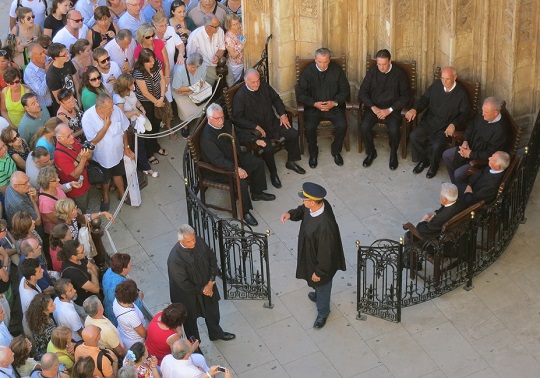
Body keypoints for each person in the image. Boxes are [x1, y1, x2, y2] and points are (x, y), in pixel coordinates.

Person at [280, 182, 346, 329]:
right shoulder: (317, 205)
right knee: (317, 284)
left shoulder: (325, 226)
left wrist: (319, 272)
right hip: (312, 255)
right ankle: (317, 295)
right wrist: (290, 214)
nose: (302, 202)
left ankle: (323, 313)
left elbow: (325, 253)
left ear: (313, 202)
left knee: (322, 285)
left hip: (321, 263)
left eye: (305, 200)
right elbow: (303, 210)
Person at [200, 104, 275, 226]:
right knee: (242, 180)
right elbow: (218, 160)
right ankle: (245, 212)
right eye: (217, 118)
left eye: (222, 117)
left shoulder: (226, 124)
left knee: (257, 163)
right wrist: (236, 169)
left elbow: (238, 133)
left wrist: (254, 140)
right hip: (220, 169)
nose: (221, 121)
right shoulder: (207, 138)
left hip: (235, 157)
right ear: (209, 119)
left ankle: (257, 193)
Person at [233, 68, 305, 189]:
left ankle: (291, 161)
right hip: (256, 131)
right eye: (253, 82)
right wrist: (255, 127)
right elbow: (238, 118)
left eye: (258, 81)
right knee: (267, 148)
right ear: (246, 82)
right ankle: (273, 173)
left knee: (292, 133)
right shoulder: (240, 96)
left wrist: (282, 114)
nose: (256, 84)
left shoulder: (264, 86)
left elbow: (276, 99)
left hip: (272, 123)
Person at [167, 224, 236, 343]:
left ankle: (216, 333)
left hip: (207, 285)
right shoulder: (174, 259)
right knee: (190, 322)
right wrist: (203, 289)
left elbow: (212, 258)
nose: (193, 243)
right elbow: (183, 283)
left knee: (213, 312)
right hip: (187, 295)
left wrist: (210, 282)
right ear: (180, 241)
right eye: (189, 241)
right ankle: (195, 346)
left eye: (194, 239)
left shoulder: (199, 241)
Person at [406, 66, 471, 178]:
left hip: (445, 127)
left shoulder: (461, 93)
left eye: (447, 79)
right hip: (430, 121)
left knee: (437, 145)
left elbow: (465, 114)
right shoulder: (437, 85)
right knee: (414, 136)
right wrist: (414, 109)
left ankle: (434, 165)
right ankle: (424, 160)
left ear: (455, 78)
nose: (444, 81)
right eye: (442, 78)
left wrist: (454, 124)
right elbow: (424, 99)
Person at [297, 47, 351, 168]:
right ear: (315, 60)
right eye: (320, 62)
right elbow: (300, 93)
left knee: (343, 125)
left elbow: (345, 89)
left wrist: (335, 102)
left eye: (325, 61)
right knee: (309, 127)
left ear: (329, 60)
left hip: (333, 107)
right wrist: (314, 103)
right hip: (314, 108)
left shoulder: (336, 70)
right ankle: (313, 153)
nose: (323, 65)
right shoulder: (308, 72)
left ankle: (336, 150)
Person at [358, 49, 410, 170]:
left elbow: (405, 96)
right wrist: (373, 107)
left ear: (390, 61)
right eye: (379, 64)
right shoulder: (373, 72)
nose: (381, 67)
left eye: (384, 64)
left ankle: (393, 154)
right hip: (374, 109)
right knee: (364, 127)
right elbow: (362, 93)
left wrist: (389, 110)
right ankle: (371, 152)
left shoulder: (399, 74)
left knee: (394, 130)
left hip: (392, 110)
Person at [81, 94, 135, 209]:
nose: (113, 109)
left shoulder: (115, 110)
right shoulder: (88, 117)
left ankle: (122, 194)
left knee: (118, 174)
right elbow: (92, 141)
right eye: (109, 108)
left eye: (112, 107)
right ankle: (105, 197)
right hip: (102, 156)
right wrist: (105, 127)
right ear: (100, 108)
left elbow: (124, 129)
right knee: (105, 179)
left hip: (118, 152)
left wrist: (126, 147)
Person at [443, 97, 509, 185]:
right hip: (468, 147)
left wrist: (470, 154)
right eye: (482, 110)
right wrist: (465, 141)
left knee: (458, 174)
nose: (482, 114)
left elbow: (490, 154)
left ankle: (461, 190)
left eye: (486, 112)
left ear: (495, 113)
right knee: (446, 155)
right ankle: (456, 185)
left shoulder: (500, 131)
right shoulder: (483, 116)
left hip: (479, 160)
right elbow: (471, 126)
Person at [112, 74, 157, 177]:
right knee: (139, 145)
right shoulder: (118, 98)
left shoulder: (131, 92)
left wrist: (141, 107)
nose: (134, 85)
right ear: (126, 86)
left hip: (138, 120)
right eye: (132, 83)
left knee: (144, 140)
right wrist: (134, 113)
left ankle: (147, 159)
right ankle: (145, 167)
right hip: (130, 126)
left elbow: (136, 101)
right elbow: (121, 115)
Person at [133, 48, 168, 164]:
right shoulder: (138, 72)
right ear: (143, 62)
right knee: (149, 127)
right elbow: (145, 92)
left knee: (157, 123)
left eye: (153, 60)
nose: (153, 63)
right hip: (146, 102)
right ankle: (149, 153)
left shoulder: (157, 63)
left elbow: (162, 80)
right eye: (150, 61)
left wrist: (161, 97)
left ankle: (155, 145)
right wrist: (157, 102)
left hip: (158, 97)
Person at [54, 123, 92, 212]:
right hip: (77, 188)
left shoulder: (71, 140)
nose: (72, 137)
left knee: (87, 200)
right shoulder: (59, 155)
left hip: (86, 180)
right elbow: (75, 175)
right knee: (81, 209)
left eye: (71, 133)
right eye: (68, 136)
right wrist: (83, 159)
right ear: (59, 139)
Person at [102, 253, 144, 327]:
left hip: (108, 310)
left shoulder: (108, 272)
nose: (131, 264)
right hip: (119, 319)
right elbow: (137, 307)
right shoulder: (124, 286)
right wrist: (140, 296)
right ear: (124, 269)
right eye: (129, 263)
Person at [187, 15, 231, 86]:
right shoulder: (195, 37)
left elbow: (221, 48)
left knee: (230, 76)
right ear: (207, 27)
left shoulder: (220, 31)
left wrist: (217, 56)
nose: (218, 28)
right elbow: (190, 58)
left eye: (218, 25)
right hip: (204, 66)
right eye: (215, 27)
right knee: (208, 87)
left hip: (219, 63)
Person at [58, 240, 101, 311]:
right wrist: (92, 274)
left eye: (83, 248)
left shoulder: (80, 258)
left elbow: (94, 267)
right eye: (82, 251)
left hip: (92, 295)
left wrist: (94, 282)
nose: (85, 251)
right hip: (87, 304)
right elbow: (96, 289)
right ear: (73, 257)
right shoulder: (73, 273)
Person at [161, 339, 227, 378]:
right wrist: (209, 374)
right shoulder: (193, 372)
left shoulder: (166, 358)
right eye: (191, 345)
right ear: (188, 353)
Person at [171, 52, 207, 123]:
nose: (189, 68)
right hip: (180, 94)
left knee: (200, 108)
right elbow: (177, 89)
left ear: (198, 66)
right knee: (186, 114)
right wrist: (191, 89)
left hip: (195, 91)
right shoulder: (179, 70)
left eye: (193, 67)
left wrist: (191, 91)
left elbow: (202, 82)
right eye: (188, 65)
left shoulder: (203, 66)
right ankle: (185, 126)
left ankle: (198, 122)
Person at [46, 43, 80, 114]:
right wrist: (74, 109)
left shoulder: (67, 62)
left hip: (75, 102)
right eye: (64, 55)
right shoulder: (52, 76)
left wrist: (79, 103)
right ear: (56, 58)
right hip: (66, 110)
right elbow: (60, 100)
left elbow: (76, 82)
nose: (67, 55)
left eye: (67, 52)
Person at [113, 279, 147, 349]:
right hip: (135, 343)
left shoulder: (117, 300)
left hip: (124, 334)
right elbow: (143, 333)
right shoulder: (131, 315)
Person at [23, 43, 53, 115]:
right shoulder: (29, 72)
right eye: (40, 54)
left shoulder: (48, 60)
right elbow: (41, 92)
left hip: (57, 100)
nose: (44, 55)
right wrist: (47, 74)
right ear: (32, 58)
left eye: (43, 52)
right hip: (46, 108)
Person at [26, 293, 57, 360]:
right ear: (44, 310)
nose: (54, 305)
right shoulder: (48, 329)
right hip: (48, 354)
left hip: (40, 350)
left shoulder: (36, 318)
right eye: (51, 305)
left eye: (53, 302)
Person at [224, 13, 244, 84]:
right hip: (235, 65)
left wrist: (241, 37)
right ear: (229, 25)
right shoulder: (228, 38)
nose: (237, 26)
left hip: (242, 61)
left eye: (238, 23)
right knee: (235, 82)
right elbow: (234, 55)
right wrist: (242, 46)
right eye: (234, 25)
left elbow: (242, 40)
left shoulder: (237, 31)